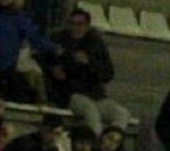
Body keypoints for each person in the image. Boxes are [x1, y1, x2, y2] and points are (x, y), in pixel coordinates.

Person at [49, 7, 129, 135]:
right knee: (90, 110)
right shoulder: (59, 41)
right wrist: (55, 69)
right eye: (72, 24)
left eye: (80, 24)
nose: (76, 28)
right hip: (71, 94)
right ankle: (95, 144)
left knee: (121, 113)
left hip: (96, 95)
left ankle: (112, 142)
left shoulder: (96, 44)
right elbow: (50, 62)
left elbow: (108, 74)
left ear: (87, 26)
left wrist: (89, 63)